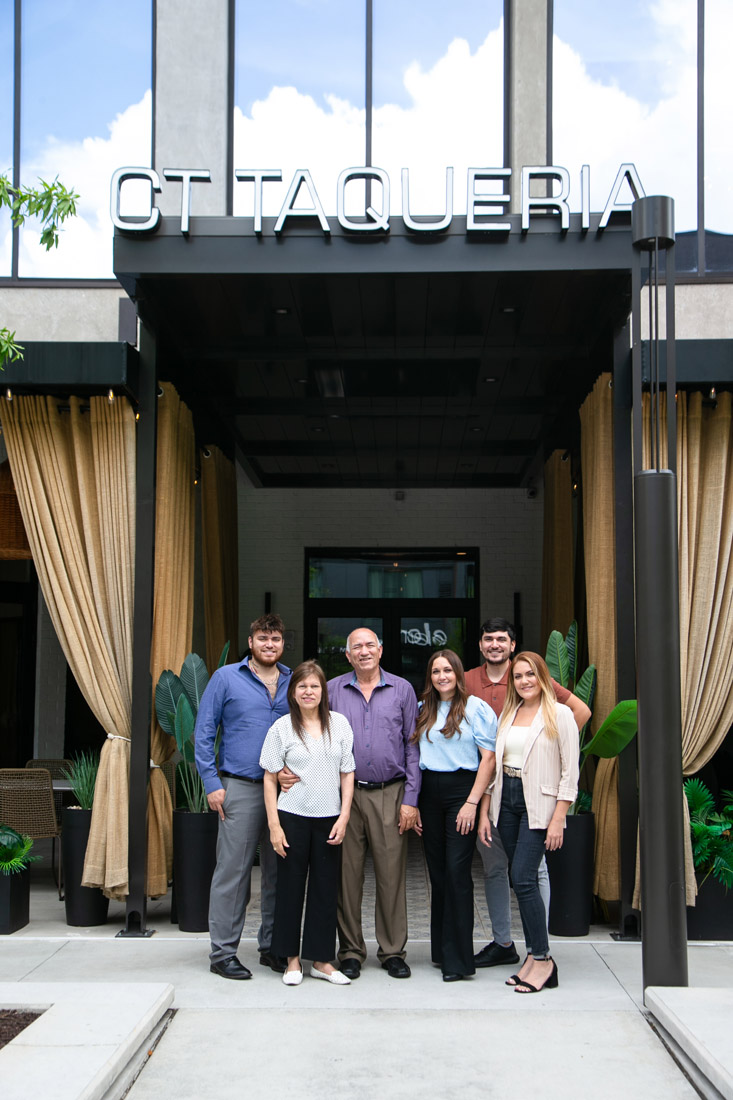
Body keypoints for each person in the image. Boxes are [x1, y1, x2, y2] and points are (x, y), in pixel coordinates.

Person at [466, 617, 591, 970]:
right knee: (497, 870)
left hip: (537, 794)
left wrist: (547, 744)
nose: (494, 644)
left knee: (530, 873)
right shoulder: (471, 684)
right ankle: (504, 942)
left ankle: (539, 951)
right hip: (497, 791)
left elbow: (580, 712)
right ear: (480, 644)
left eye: (501, 639)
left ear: (512, 645)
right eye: (488, 638)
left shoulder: (546, 697)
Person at [194, 613, 291, 980]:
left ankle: (272, 947)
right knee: (233, 873)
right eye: (263, 638)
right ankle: (222, 953)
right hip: (239, 787)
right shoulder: (226, 679)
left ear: (283, 644)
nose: (270, 644)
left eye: (276, 639)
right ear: (251, 642)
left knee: (279, 872)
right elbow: (204, 732)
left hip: (285, 794)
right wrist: (211, 783)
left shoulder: (293, 680)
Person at [479, 651, 579, 993]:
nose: (524, 681)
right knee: (515, 876)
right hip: (507, 801)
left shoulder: (560, 714)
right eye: (518, 676)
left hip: (540, 803)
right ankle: (533, 959)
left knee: (523, 876)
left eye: (530, 675)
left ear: (543, 677)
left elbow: (570, 771)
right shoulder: (510, 712)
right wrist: (486, 811)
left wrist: (559, 817)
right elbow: (496, 765)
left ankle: (543, 959)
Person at [326, 627, 420, 980]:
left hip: (390, 793)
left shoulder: (402, 690)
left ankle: (393, 951)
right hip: (344, 796)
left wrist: (411, 800)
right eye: (356, 647)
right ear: (348, 656)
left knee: (391, 875)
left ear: (381, 651)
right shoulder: (333, 689)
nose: (364, 651)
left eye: (370, 645)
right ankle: (350, 951)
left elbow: (412, 746)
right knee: (346, 877)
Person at [260, 661, 355, 986]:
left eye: (314, 686)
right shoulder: (282, 728)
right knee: (289, 890)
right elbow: (270, 777)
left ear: (323, 691)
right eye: (302, 687)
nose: (309, 692)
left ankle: (322, 961)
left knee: (325, 891)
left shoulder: (339, 725)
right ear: (293, 692)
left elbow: (347, 772)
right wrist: (274, 825)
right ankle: (292, 960)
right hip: (292, 818)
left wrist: (344, 815)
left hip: (329, 819)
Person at [412, 649, 497, 982]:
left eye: (448, 670)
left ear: (458, 674)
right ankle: (441, 950)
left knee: (457, 872)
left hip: (463, 792)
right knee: (437, 873)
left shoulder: (476, 708)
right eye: (436, 671)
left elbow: (488, 759)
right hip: (429, 794)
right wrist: (415, 802)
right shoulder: (422, 710)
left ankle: (459, 961)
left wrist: (472, 803)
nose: (442, 676)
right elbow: (415, 755)